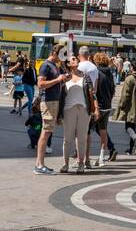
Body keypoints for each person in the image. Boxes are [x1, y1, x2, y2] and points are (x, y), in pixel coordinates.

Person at [59, 56, 97, 174]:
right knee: (67, 138)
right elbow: (59, 94)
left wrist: (96, 109)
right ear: (69, 64)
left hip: (83, 110)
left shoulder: (85, 77)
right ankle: (65, 164)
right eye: (73, 59)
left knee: (82, 138)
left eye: (76, 58)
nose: (75, 60)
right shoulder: (65, 77)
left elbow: (92, 93)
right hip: (68, 109)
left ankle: (81, 164)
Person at [35, 45, 67, 175]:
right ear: (54, 53)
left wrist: (63, 80)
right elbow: (40, 84)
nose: (62, 58)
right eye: (61, 55)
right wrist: (57, 80)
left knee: (47, 131)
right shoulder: (46, 65)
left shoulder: (55, 65)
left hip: (53, 101)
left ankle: (39, 164)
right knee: (46, 131)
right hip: (48, 101)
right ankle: (39, 165)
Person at [92, 52, 117, 165]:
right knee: (102, 130)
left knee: (85, 130)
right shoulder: (110, 74)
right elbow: (113, 90)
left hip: (98, 107)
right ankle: (107, 152)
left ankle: (79, 154)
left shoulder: (96, 73)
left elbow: (93, 91)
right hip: (107, 106)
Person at [114, 61, 136, 156]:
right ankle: (131, 149)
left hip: (130, 106)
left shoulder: (129, 79)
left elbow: (125, 94)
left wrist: (121, 105)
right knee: (133, 126)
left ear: (131, 68)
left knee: (128, 127)